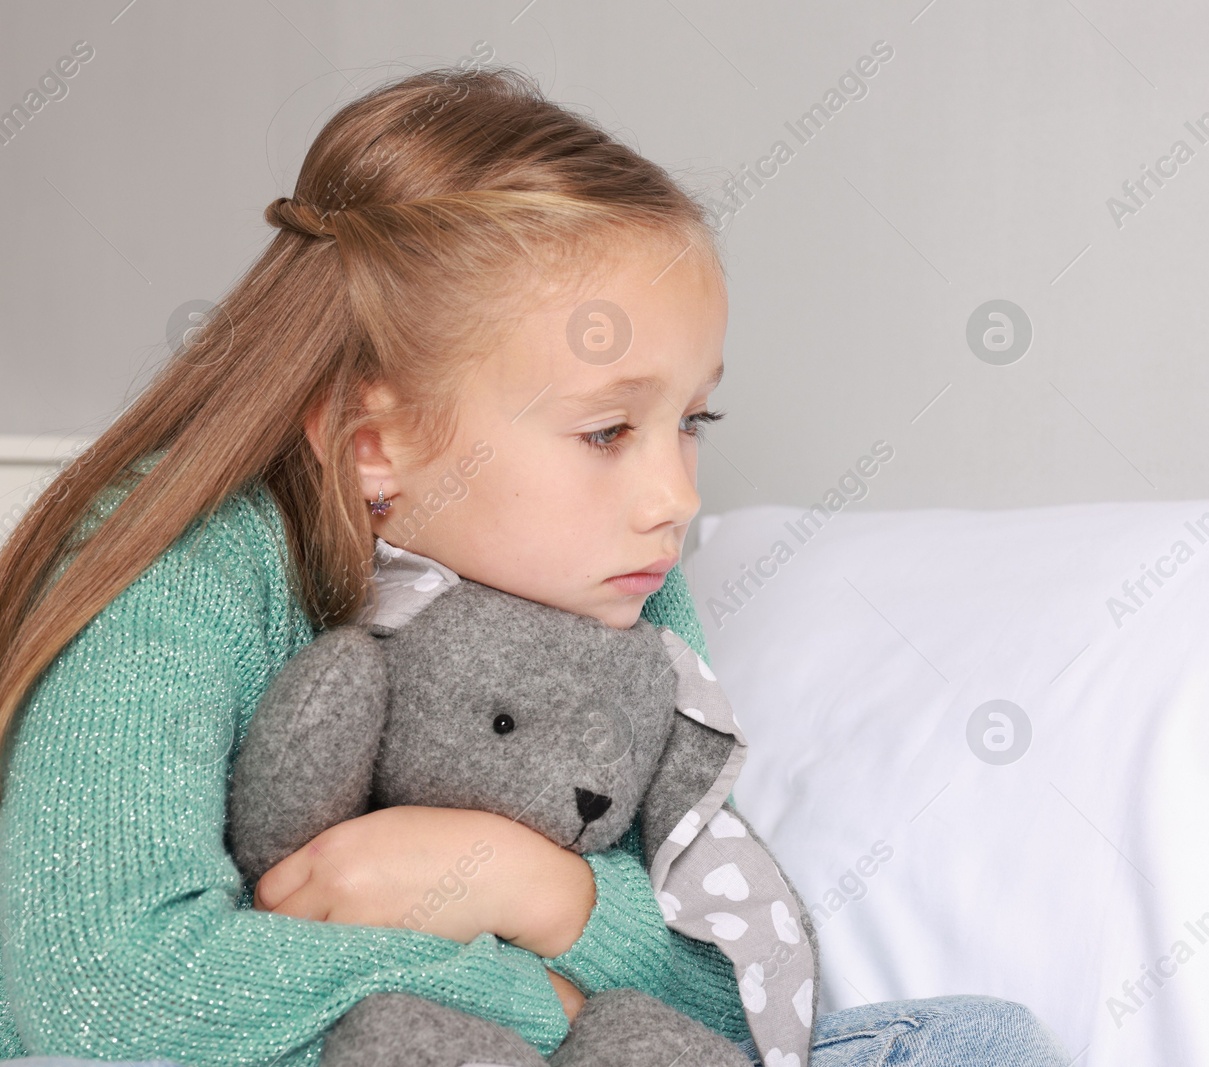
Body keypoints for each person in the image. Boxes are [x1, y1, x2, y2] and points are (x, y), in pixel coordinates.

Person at [0, 66, 1071, 1067]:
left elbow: (738, 1002)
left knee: (974, 1038)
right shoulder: (187, 570)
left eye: (693, 418)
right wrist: (540, 1002)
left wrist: (537, 888)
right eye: (608, 430)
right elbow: (98, 996)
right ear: (378, 445)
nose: (676, 498)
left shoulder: (622, 593)